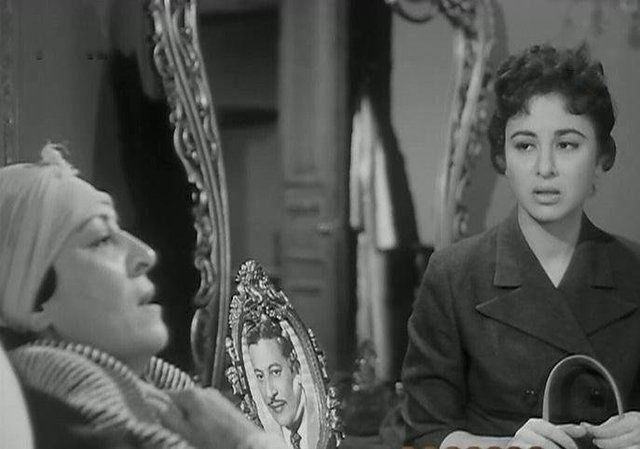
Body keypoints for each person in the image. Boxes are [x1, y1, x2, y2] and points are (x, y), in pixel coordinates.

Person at [400, 44, 640, 449]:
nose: (544, 168)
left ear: (601, 157)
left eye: (567, 145)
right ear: (503, 158)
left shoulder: (635, 271)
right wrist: (504, 447)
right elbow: (425, 433)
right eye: (525, 145)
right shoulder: (453, 275)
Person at [0, 144, 287, 449]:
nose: (146, 255)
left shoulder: (153, 391)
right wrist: (245, 442)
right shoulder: (60, 391)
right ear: (35, 302)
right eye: (101, 239)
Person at [246, 318, 318, 449]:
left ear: (297, 369)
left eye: (275, 372)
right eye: (260, 376)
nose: (269, 393)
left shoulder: (320, 426)